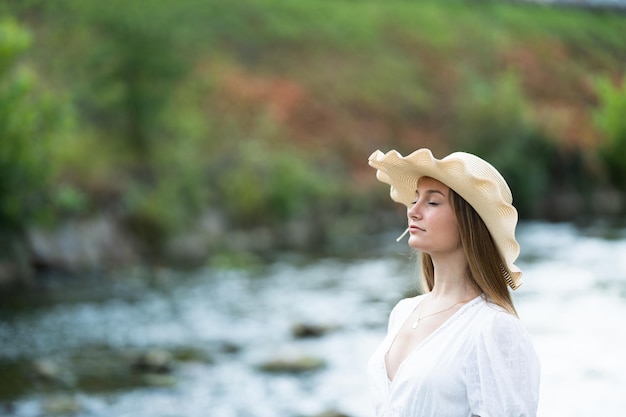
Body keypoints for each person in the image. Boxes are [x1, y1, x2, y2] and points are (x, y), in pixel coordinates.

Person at [366, 148, 540, 417]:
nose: (413, 211)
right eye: (415, 199)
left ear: (468, 222)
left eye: (432, 203)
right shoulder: (402, 313)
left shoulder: (493, 328)